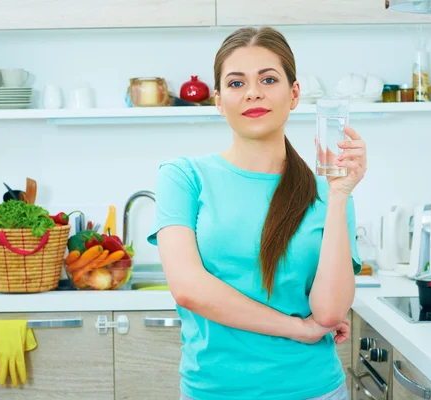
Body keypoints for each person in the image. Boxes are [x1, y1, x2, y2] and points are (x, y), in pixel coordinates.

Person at [147, 26, 367, 400]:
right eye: (236, 83)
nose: (253, 92)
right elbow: (188, 290)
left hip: (313, 390)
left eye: (268, 79)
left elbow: (328, 314)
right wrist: (295, 328)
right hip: (214, 392)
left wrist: (340, 195)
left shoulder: (329, 189)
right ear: (218, 100)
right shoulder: (183, 176)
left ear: (294, 93)